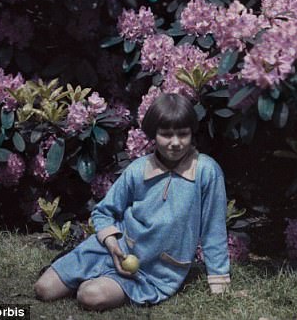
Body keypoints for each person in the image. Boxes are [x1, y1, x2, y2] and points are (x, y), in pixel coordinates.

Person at [33, 92, 231, 310]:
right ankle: (88, 272)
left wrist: (219, 282)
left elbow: (214, 228)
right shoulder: (138, 170)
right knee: (44, 289)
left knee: (89, 296)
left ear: (192, 133)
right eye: (166, 135)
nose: (175, 143)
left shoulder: (206, 171)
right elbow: (103, 212)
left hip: (154, 269)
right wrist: (111, 243)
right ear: (153, 135)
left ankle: (97, 283)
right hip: (113, 248)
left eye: (183, 134)